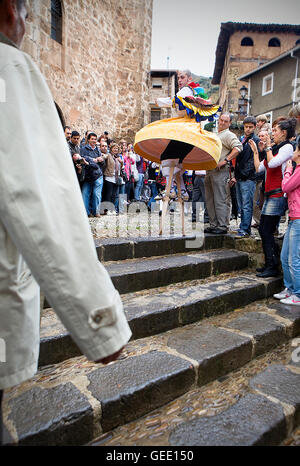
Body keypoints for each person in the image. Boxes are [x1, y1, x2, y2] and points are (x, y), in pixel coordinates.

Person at [0, 0, 131, 444]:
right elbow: (36, 195)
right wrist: (100, 320)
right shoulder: (6, 68)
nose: (28, 17)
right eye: (22, 5)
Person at [135, 70, 222, 205]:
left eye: (182, 77)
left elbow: (173, 100)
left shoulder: (186, 90)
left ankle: (172, 189)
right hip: (190, 131)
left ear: (189, 79)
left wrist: (158, 101)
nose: (179, 80)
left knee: (166, 157)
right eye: (179, 78)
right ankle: (181, 190)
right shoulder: (193, 92)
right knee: (178, 162)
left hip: (185, 131)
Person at [251, 118, 297, 277]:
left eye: (275, 130)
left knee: (266, 230)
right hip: (270, 194)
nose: (272, 133)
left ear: (284, 133)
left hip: (278, 194)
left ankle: (272, 265)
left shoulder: (287, 147)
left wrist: (268, 146)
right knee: (264, 229)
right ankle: (270, 263)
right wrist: (256, 151)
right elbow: (259, 168)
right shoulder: (275, 148)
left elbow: (272, 164)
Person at [204, 113, 243, 234]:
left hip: (221, 170)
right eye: (221, 120)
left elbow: (238, 147)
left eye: (226, 121)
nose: (222, 123)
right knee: (210, 198)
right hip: (210, 169)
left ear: (229, 123)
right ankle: (214, 224)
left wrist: (225, 160)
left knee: (221, 198)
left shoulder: (228, 134)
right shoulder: (215, 133)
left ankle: (222, 225)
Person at [273, 139, 300, 305]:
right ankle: (289, 289)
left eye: (296, 149)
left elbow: (286, 186)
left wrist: (288, 170)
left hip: (298, 218)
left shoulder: (297, 170)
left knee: (294, 258)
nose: (294, 152)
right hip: (293, 218)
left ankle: (298, 293)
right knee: (285, 256)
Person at [234, 116, 260, 238]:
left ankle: (245, 228)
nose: (248, 129)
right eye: (246, 127)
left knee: (247, 204)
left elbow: (252, 161)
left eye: (250, 127)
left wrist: (243, 174)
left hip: (248, 178)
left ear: (254, 127)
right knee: (241, 205)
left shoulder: (255, 140)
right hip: (240, 176)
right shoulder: (241, 139)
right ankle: (243, 227)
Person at [81, 133, 105, 217]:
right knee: (85, 194)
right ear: (88, 140)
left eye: (95, 139)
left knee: (96, 194)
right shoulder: (84, 149)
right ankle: (86, 212)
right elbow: (84, 158)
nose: (94, 141)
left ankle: (96, 212)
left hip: (98, 175)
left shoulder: (98, 150)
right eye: (92, 139)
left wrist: (101, 160)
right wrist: (94, 160)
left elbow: (102, 163)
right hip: (88, 175)